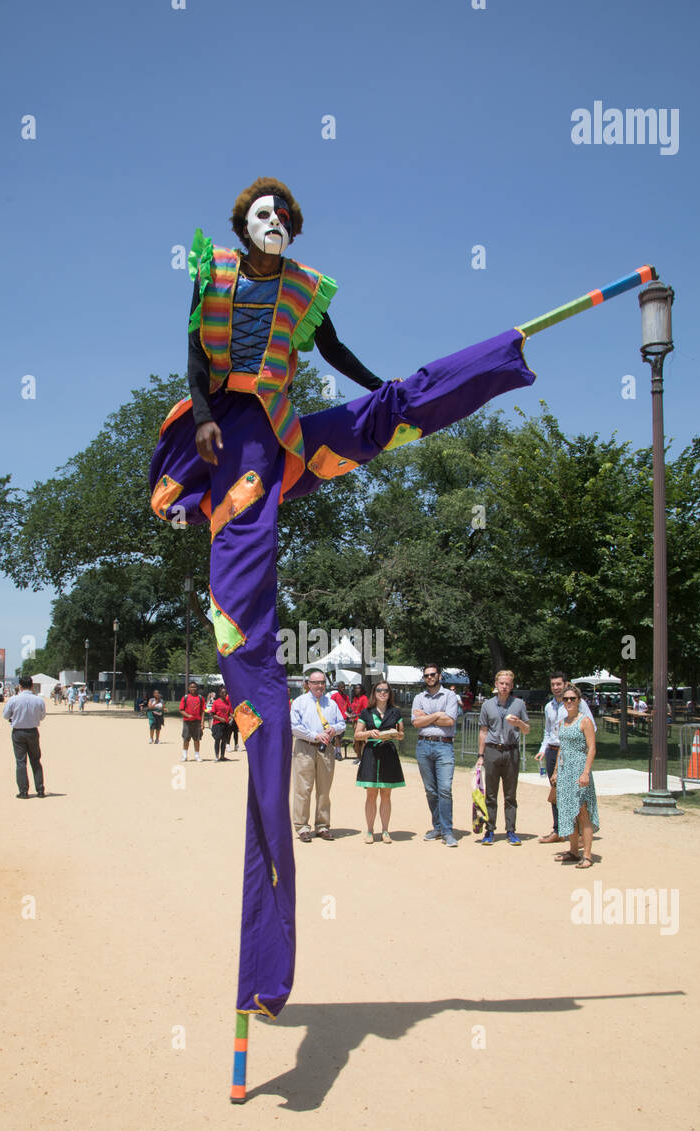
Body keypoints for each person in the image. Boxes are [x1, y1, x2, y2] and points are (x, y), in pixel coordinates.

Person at [148, 176, 535, 1018]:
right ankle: (253, 681)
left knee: (379, 417)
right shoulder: (210, 272)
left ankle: (471, 372)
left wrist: (381, 390)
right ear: (241, 224)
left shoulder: (303, 290)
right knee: (244, 528)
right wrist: (209, 417)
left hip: (286, 435)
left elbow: (335, 356)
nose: (276, 225)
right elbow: (192, 357)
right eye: (264, 216)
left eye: (286, 217)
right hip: (233, 433)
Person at [535, 671, 596, 843]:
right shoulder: (549, 707)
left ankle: (581, 834)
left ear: (565, 684)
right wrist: (543, 749)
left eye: (559, 684)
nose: (556, 687)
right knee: (556, 792)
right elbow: (548, 732)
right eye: (553, 684)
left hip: (572, 753)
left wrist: (581, 752)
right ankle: (559, 830)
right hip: (553, 751)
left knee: (576, 795)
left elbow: (591, 728)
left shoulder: (577, 702)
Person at [290, 670, 346, 841]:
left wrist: (334, 729)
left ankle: (322, 825)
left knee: (324, 790)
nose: (319, 686)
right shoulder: (299, 702)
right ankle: (302, 827)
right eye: (315, 683)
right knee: (303, 789)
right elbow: (294, 727)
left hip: (326, 749)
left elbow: (342, 722)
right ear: (308, 684)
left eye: (322, 682)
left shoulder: (331, 704)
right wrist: (314, 735)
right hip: (305, 748)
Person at [476, 670, 530, 845]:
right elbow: (483, 731)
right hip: (492, 751)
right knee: (490, 794)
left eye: (508, 684)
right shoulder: (487, 705)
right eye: (501, 683)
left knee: (510, 795)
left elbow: (527, 729)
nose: (504, 687)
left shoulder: (519, 704)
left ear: (512, 685)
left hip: (511, 751)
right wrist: (480, 755)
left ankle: (511, 831)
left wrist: (519, 723)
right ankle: (489, 830)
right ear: (496, 684)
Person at [411, 663, 461, 847]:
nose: (430, 678)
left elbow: (449, 720)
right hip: (423, 745)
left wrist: (427, 716)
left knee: (445, 789)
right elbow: (416, 723)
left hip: (444, 746)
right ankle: (437, 827)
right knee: (431, 790)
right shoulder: (419, 697)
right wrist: (437, 714)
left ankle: (447, 831)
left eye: (433, 674)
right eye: (426, 675)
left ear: (439, 676)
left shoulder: (450, 696)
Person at [551, 684, 598, 869]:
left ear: (579, 701)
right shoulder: (563, 722)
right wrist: (555, 771)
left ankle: (587, 855)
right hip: (564, 771)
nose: (569, 702)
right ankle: (573, 851)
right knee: (567, 811)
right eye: (566, 699)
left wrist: (586, 772)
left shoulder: (584, 721)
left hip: (579, 770)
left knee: (582, 813)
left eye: (573, 699)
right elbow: (561, 748)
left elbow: (592, 748)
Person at [354, 681, 405, 842]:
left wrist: (396, 734)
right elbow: (357, 734)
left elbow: (401, 734)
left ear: (390, 694)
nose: (382, 693)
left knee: (386, 793)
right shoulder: (366, 712)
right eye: (379, 690)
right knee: (371, 794)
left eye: (386, 690)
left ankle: (385, 831)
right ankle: (370, 831)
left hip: (388, 754)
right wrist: (369, 732)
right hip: (371, 753)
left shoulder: (395, 712)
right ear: (374, 693)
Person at [3, 675, 47, 798]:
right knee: (36, 760)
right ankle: (40, 789)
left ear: (20, 686)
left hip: (18, 732)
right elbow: (42, 716)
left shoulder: (13, 700)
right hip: (33, 731)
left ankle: (23, 791)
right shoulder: (39, 700)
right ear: (32, 686)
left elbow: (6, 715)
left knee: (21, 762)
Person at [179, 681, 204, 762]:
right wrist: (187, 715)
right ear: (188, 688)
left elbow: (203, 711)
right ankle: (184, 755)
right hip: (187, 722)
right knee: (186, 739)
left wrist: (202, 722)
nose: (193, 688)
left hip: (197, 722)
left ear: (197, 688)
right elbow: (181, 710)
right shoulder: (185, 698)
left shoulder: (200, 698)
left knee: (196, 739)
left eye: (194, 687)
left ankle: (197, 755)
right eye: (191, 687)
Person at [211, 685, 234, 760]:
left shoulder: (228, 703)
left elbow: (230, 713)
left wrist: (231, 716)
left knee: (224, 740)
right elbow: (212, 714)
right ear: (220, 693)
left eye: (225, 693)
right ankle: (216, 756)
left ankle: (222, 756)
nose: (224, 694)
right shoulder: (216, 702)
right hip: (217, 724)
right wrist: (220, 718)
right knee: (217, 739)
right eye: (223, 692)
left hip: (225, 724)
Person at [330, 681, 351, 760]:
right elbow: (330, 706)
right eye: (341, 687)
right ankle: (338, 752)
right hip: (335, 719)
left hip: (343, 719)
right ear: (338, 688)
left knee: (340, 736)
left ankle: (336, 752)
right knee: (337, 736)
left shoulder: (346, 697)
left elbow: (349, 707)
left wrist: (350, 713)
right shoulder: (334, 696)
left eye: (344, 687)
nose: (343, 688)